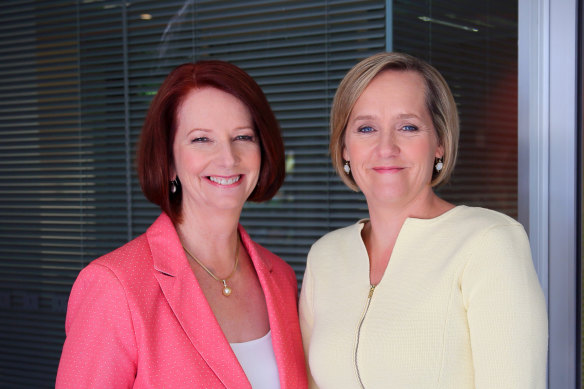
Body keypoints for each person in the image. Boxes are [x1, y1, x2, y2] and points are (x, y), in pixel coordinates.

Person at [299, 52, 548, 388]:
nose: (386, 147)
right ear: (345, 147)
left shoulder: (489, 242)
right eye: (366, 128)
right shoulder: (325, 256)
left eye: (408, 126)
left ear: (439, 143)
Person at [56, 60, 307, 388]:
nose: (228, 158)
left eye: (243, 136)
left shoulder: (281, 278)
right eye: (202, 139)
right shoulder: (113, 287)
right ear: (169, 161)